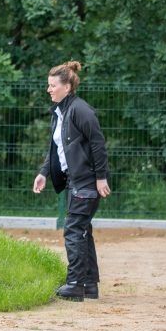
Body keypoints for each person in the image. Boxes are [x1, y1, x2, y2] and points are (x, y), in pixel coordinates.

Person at [32, 60, 111, 301]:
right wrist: (44, 172)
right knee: (82, 230)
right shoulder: (59, 112)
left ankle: (75, 284)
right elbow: (56, 149)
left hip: (86, 182)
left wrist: (100, 178)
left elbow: (98, 144)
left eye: (53, 85)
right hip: (73, 182)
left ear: (67, 87)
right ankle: (89, 285)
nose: (49, 89)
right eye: (48, 85)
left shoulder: (80, 110)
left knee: (73, 230)